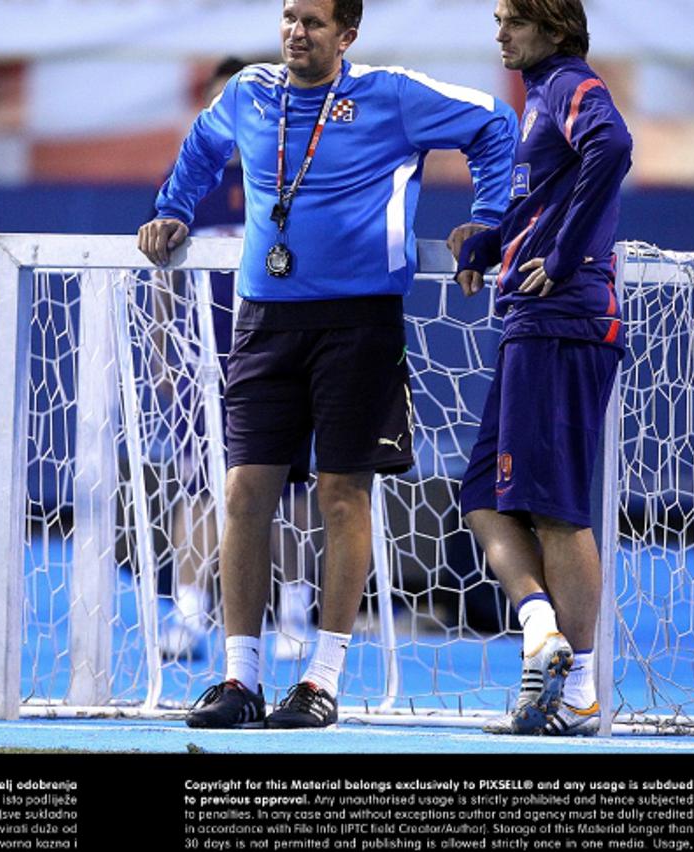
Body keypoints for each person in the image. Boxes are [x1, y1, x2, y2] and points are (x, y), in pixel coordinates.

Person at [138, 0, 518, 728]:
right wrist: (176, 208)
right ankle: (239, 678)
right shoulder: (249, 93)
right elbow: (200, 148)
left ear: (347, 35)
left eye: (312, 21)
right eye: (288, 16)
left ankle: (321, 679)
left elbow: (496, 123)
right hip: (264, 321)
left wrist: (492, 216)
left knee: (342, 496)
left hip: (358, 322)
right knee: (246, 491)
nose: (295, 32)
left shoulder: (392, 96)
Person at [451, 0, 633, 736]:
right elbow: (548, 202)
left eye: (514, 20)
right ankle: (540, 633)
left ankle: (582, 694)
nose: (499, 33)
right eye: (497, 19)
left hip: (563, 322)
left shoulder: (565, 82)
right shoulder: (539, 101)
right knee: (481, 495)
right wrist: (493, 242)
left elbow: (613, 146)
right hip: (533, 324)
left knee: (555, 507)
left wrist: (559, 260)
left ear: (555, 28)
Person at [152, 57, 320, 664]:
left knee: (291, 488)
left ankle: (296, 610)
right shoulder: (188, 179)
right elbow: (163, 272)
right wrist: (164, 352)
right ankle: (190, 612)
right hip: (204, 362)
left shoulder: (292, 171)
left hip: (279, 351)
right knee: (199, 488)